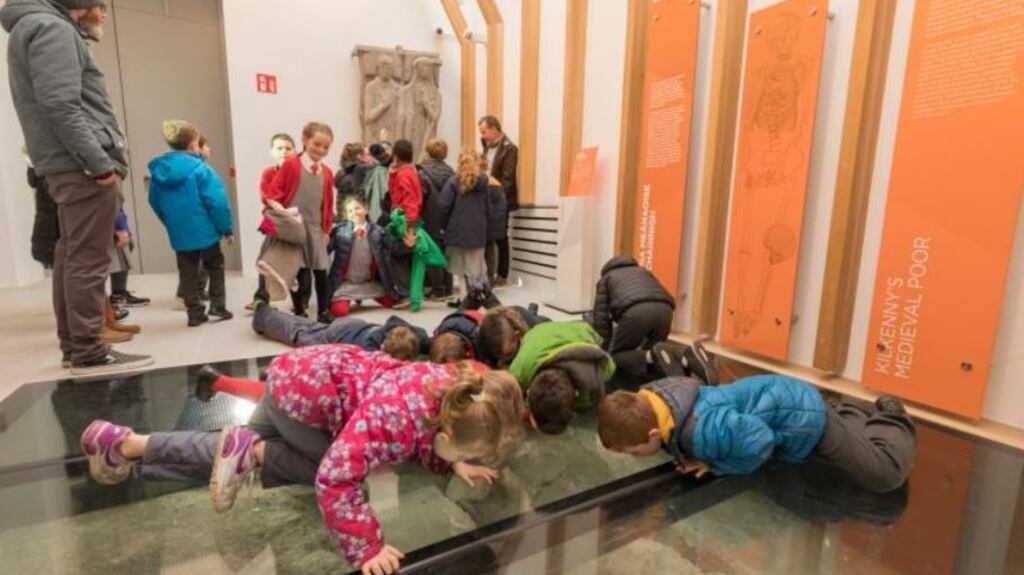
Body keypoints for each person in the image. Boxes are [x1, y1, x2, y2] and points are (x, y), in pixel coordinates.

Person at [80, 346, 525, 575]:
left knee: (221, 450)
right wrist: (366, 547)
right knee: (334, 473)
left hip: (297, 381)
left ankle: (124, 443)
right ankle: (252, 451)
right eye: (463, 451)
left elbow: (434, 435)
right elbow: (335, 480)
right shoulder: (395, 420)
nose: (462, 458)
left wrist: (453, 462)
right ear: (445, 434)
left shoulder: (449, 389)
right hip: (300, 400)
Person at [2, 0, 153, 374]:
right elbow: (60, 106)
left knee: (71, 257)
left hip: (66, 164)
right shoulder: (53, 29)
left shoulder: (34, 25)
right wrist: (100, 164)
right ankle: (88, 351)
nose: (103, 10)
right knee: (87, 260)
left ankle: (76, 347)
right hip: (81, 167)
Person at [597, 375, 917, 494]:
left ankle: (892, 416)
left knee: (885, 473)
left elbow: (759, 441)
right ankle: (848, 410)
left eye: (636, 451)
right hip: (779, 398)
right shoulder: (659, 399)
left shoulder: (701, 431)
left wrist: (717, 466)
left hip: (804, 419)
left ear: (653, 432)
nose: (637, 458)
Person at [148, 120, 234, 327]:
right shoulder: (202, 170)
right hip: (206, 231)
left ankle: (194, 314)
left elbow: (154, 201)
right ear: (193, 145)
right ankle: (218, 306)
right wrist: (226, 229)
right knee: (215, 265)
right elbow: (217, 203)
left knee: (187, 271)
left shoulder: (159, 172)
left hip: (179, 232)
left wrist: (169, 222)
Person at [264, 122, 336, 321]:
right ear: (305, 140)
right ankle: (299, 310)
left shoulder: (327, 172)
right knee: (298, 270)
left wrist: (326, 228)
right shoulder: (291, 165)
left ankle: (323, 311)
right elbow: (273, 194)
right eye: (316, 144)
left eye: (325, 147)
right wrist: (284, 215)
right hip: (294, 228)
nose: (320, 150)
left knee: (321, 270)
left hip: (315, 228)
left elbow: (327, 204)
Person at [509, 320, 615, 434]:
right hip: (539, 333)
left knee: (591, 409)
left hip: (580, 331)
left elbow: (610, 368)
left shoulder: (598, 370)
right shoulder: (519, 370)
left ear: (576, 393)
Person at [592, 256, 688, 380]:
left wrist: (603, 349)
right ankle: (684, 357)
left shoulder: (606, 278)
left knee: (618, 355)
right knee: (659, 351)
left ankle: (650, 359)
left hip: (636, 311)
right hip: (666, 309)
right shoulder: (643, 271)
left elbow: (601, 319)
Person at [324, 195, 406, 318]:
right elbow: (326, 250)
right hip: (346, 284)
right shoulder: (339, 231)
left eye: (357, 208)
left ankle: (374, 296)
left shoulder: (378, 231)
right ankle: (340, 299)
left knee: (396, 302)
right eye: (350, 211)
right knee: (339, 311)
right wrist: (324, 239)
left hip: (369, 283)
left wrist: (408, 244)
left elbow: (394, 248)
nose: (354, 213)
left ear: (366, 209)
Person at [250, 303, 427, 356]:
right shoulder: (370, 352)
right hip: (339, 335)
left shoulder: (404, 330)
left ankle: (271, 313)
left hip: (353, 325)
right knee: (298, 334)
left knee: (311, 328)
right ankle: (262, 315)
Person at [249, 132, 296, 309]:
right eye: (279, 148)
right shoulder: (268, 173)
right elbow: (267, 197)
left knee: (299, 262)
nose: (284, 151)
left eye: (288, 148)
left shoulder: (299, 172)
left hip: (295, 224)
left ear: (295, 150)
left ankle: (300, 301)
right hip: (275, 224)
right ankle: (261, 298)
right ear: (272, 152)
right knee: (265, 259)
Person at [440, 148, 489, 307]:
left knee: (459, 269)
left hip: (457, 231)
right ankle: (480, 300)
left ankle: (464, 299)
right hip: (477, 231)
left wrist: (443, 226)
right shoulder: (483, 182)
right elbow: (488, 208)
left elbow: (444, 206)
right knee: (477, 270)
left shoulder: (453, 182)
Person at [478, 116, 518, 287]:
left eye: (484, 131)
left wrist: (497, 193)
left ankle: (502, 275)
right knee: (489, 237)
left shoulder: (510, 149)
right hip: (488, 197)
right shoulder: (485, 147)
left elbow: (509, 179)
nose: (483, 135)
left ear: (494, 128)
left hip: (501, 198)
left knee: (501, 237)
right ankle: (489, 275)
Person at [418, 138, 455, 300]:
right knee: (447, 252)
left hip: (429, 217)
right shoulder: (452, 173)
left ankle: (437, 288)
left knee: (432, 251)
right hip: (449, 219)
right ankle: (448, 287)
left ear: (427, 152)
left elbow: (420, 198)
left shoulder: (421, 173)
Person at [476, 305, 549, 369]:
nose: (501, 363)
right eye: (496, 356)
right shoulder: (483, 340)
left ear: (517, 336)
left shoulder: (535, 341)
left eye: (508, 354)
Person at [335, 142, 373, 211]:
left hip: (343, 217)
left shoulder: (343, 172)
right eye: (368, 154)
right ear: (360, 156)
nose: (371, 156)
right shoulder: (361, 171)